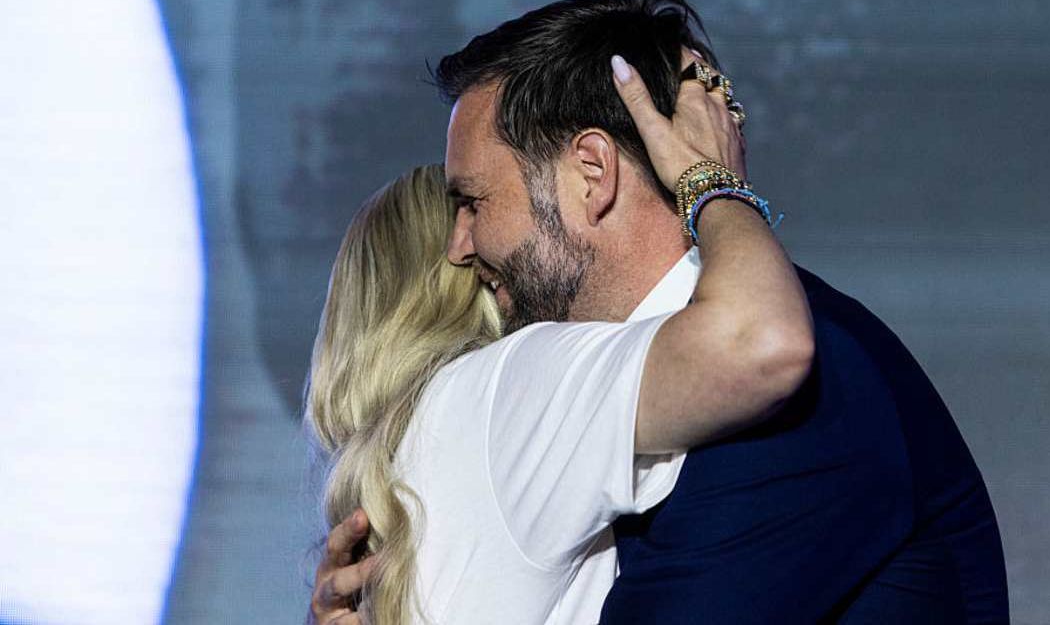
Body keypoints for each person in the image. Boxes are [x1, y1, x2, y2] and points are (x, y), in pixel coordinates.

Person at [315, 0, 1009, 623]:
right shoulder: (636, 394)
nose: (460, 246)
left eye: (474, 203)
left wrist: (712, 185)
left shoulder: (805, 392)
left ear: (592, 174)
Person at [306, 49, 813, 624]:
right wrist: (711, 180)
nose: (464, 244)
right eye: (463, 209)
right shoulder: (504, 388)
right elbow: (759, 342)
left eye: (475, 206)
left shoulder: (410, 461)